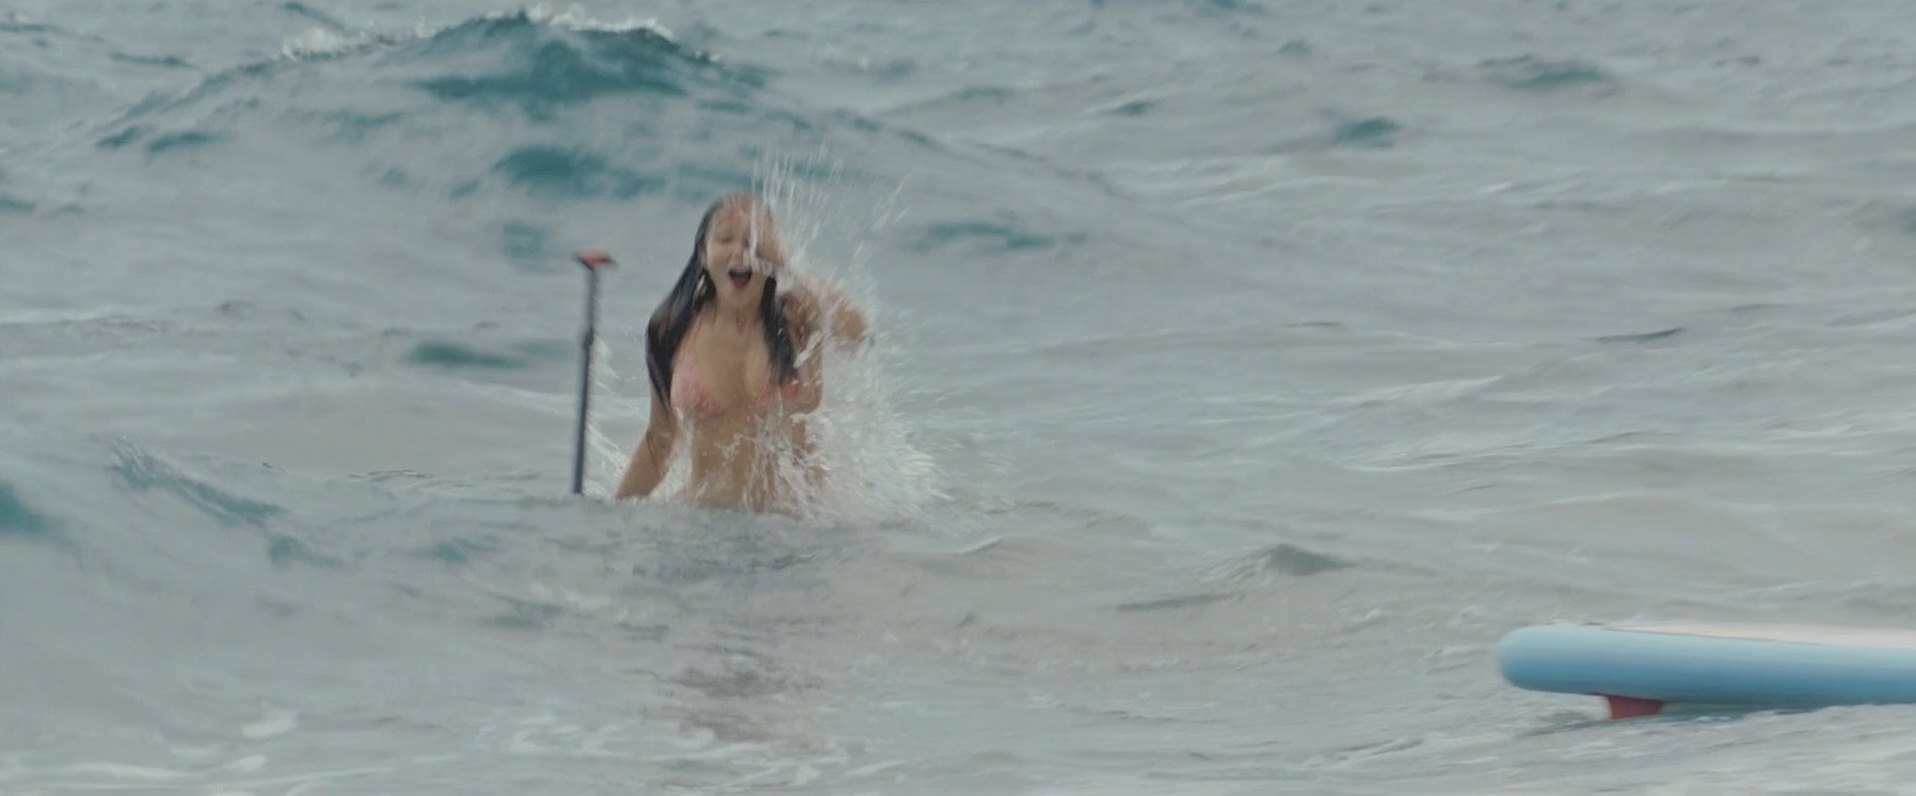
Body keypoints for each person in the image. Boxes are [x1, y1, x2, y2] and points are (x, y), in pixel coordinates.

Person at [613, 192, 869, 513]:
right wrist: (612, 514)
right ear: (703, 253)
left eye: (754, 242)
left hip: (795, 521)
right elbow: (660, 440)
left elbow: (858, 332)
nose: (740, 251)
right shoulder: (673, 328)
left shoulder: (795, 318)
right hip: (704, 517)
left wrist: (787, 262)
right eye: (724, 239)